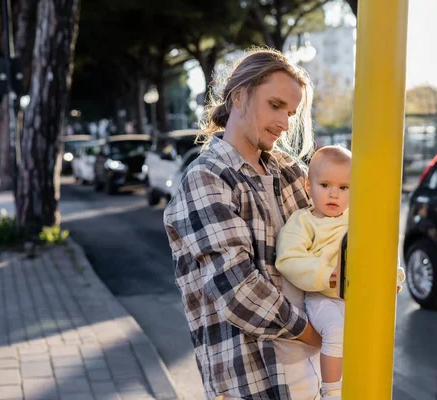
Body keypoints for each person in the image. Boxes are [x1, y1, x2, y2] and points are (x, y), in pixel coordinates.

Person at [163, 48, 323, 400]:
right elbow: (236, 289)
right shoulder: (206, 178)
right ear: (239, 95)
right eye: (275, 105)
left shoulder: (290, 172)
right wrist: (316, 334)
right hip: (254, 382)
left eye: (291, 113)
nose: (284, 123)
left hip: (317, 378)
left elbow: (329, 238)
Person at [275, 146, 406, 400]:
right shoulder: (303, 221)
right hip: (322, 297)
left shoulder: (358, 220)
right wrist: (325, 275)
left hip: (357, 297)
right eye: (325, 185)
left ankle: (357, 385)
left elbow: (382, 248)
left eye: (344, 188)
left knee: (367, 339)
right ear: (307, 185)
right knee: (335, 330)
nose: (334, 194)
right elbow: (289, 258)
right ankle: (332, 392)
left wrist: (392, 278)